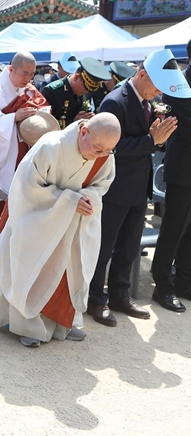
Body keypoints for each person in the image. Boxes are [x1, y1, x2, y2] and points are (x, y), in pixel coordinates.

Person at [0, 113, 120, 347]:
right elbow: (26, 189)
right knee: (30, 267)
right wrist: (68, 200)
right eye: (97, 148)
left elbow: (101, 185)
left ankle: (62, 323)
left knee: (69, 271)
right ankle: (25, 325)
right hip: (34, 219)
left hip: (73, 224)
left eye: (107, 151)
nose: (100, 155)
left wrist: (87, 198)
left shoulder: (104, 156)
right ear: (84, 131)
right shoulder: (50, 145)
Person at [87, 49, 189, 325]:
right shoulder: (115, 101)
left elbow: (152, 140)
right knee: (104, 246)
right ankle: (95, 297)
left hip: (138, 186)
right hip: (116, 186)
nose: (158, 93)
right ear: (141, 74)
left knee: (129, 246)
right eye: (155, 85)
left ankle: (120, 294)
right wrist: (151, 140)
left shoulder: (146, 102)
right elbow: (110, 147)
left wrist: (161, 136)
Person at [151, 40, 191, 311]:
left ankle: (185, 281)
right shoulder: (178, 86)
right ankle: (163, 285)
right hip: (183, 169)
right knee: (174, 228)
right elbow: (180, 126)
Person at [0, 51, 49, 192]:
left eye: (32, 74)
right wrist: (13, 117)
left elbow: (44, 110)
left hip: (22, 149)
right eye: (24, 73)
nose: (28, 78)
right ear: (11, 69)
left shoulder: (29, 91)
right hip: (0, 150)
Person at [42, 57, 111, 128]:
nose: (86, 92)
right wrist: (73, 122)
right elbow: (44, 123)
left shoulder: (86, 92)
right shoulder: (52, 91)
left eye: (89, 90)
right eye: (85, 88)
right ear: (76, 77)